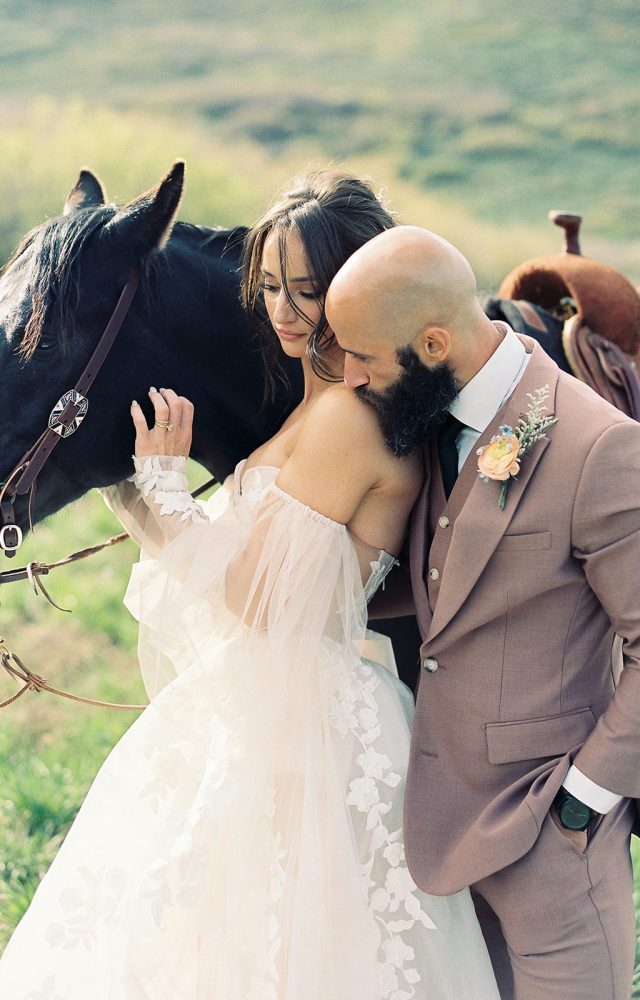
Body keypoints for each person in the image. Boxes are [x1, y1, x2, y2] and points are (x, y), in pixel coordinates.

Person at [0, 174, 499, 998]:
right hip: (262, 698)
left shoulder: (348, 418)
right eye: (268, 285)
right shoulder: (307, 407)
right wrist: (139, 485)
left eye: (306, 291)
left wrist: (163, 487)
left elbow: (261, 602)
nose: (283, 312)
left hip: (306, 710)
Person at [324, 223, 640, 1000]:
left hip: (551, 840)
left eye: (363, 356)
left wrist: (583, 802)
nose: (352, 378)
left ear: (433, 345)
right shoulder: (429, 421)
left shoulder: (599, 448)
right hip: (441, 833)